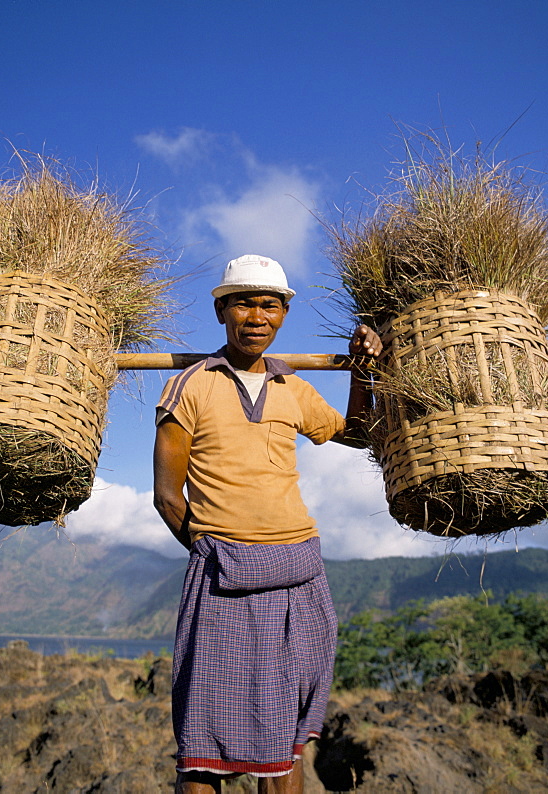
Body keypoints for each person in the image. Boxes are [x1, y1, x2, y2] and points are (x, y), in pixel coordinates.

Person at [153, 254, 383, 793]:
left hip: (298, 576)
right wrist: (215, 551)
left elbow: (358, 433)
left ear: (282, 315)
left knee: (284, 749)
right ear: (220, 312)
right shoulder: (191, 386)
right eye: (244, 303)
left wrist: (364, 370)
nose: (257, 316)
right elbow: (168, 497)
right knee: (202, 745)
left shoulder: (292, 388)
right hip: (222, 579)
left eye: (270, 305)